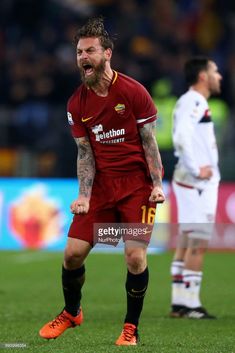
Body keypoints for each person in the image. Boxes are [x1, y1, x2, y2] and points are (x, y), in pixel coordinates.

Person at [39, 17, 165, 345]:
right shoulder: (76, 103)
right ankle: (72, 312)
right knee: (72, 255)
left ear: (107, 53)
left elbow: (149, 142)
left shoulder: (133, 92)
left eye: (90, 50)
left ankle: (130, 329)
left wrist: (156, 184)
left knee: (135, 256)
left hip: (136, 188)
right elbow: (85, 153)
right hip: (101, 190)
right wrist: (83, 195)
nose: (83, 57)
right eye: (79, 51)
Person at [170, 56, 222, 319]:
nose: (219, 76)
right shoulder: (195, 100)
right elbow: (181, 136)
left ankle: (180, 301)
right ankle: (191, 304)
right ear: (203, 76)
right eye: (215, 71)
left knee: (187, 238)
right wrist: (195, 169)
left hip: (190, 180)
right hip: (196, 182)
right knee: (198, 241)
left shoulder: (190, 100)